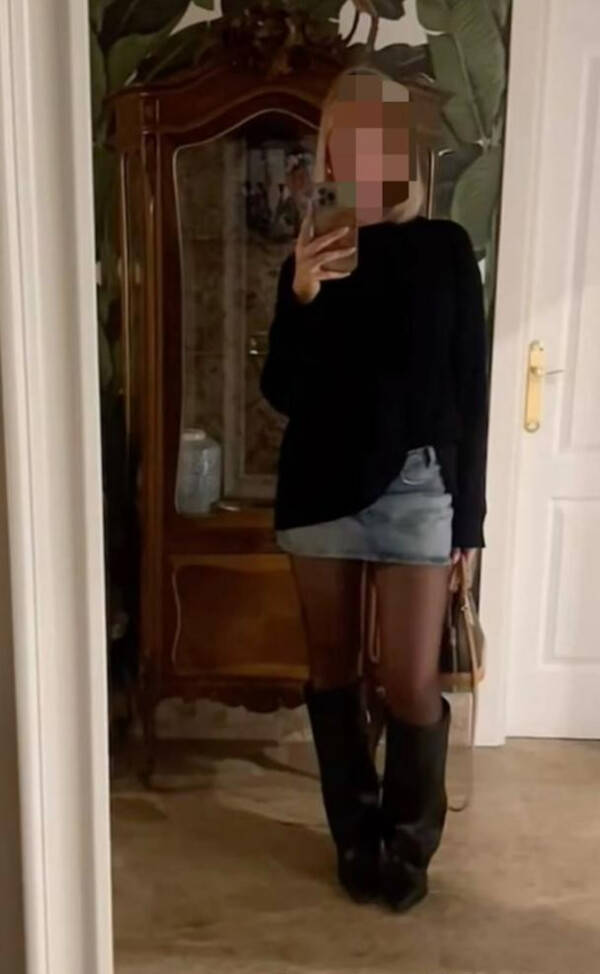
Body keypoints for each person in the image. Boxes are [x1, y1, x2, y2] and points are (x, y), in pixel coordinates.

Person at [260, 67, 488, 913]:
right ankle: (355, 839)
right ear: (329, 155)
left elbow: (470, 392)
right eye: (344, 138)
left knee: (409, 682)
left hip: (419, 491)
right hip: (319, 485)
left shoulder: (446, 249)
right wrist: (303, 296)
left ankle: (409, 846)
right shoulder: (312, 254)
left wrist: (471, 522)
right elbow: (283, 391)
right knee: (332, 672)